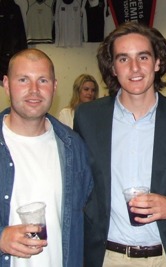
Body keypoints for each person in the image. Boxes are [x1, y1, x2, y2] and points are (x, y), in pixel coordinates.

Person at [73, 21, 166, 267]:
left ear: (157, 62)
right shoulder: (88, 118)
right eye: (123, 59)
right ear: (112, 67)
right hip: (106, 257)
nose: (134, 67)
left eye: (143, 57)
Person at [0, 48, 93, 267]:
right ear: (6, 84)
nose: (34, 90)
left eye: (42, 80)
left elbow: (89, 213)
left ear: (55, 86)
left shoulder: (74, 147)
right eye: (23, 80)